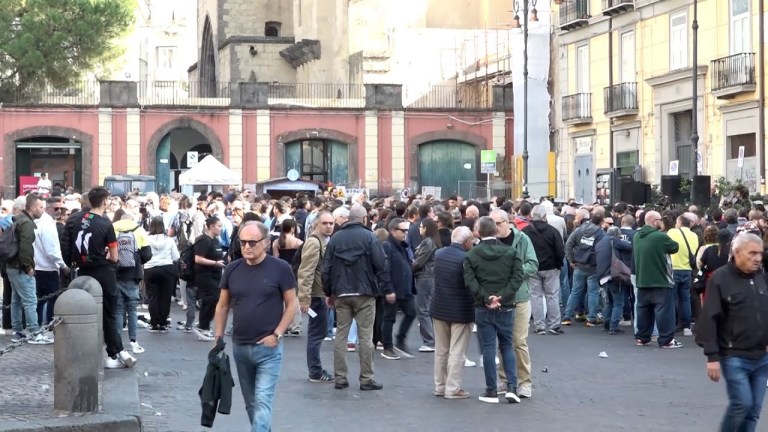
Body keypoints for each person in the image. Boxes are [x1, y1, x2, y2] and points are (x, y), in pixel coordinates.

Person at [213, 221, 298, 432]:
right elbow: (222, 306)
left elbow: (291, 305)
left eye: (252, 242)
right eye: (242, 242)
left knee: (262, 401)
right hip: (240, 347)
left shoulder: (281, 268)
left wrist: (277, 335)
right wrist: (218, 337)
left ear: (266, 243)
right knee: (251, 403)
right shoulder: (232, 269)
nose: (247, 247)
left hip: (269, 348)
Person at [695, 233, 768, 432]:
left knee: (753, 410)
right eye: (752, 253)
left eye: (760, 253)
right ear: (736, 253)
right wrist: (712, 356)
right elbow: (710, 317)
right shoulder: (720, 278)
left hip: (762, 357)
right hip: (734, 355)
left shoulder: (761, 276)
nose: (757, 258)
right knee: (742, 404)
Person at [68, 187, 136, 368]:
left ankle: (92, 351)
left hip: (82, 271)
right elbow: (115, 256)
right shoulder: (106, 224)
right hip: (103, 272)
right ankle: (114, 353)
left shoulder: (76, 219)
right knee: (110, 313)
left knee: (83, 312)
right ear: (105, 201)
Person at [322, 204, 387, 391]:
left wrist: (329, 292)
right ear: (364, 218)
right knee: (366, 336)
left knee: (341, 335)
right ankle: (366, 378)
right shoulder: (370, 237)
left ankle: (340, 378)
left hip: (341, 292)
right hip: (365, 292)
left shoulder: (335, 239)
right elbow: (380, 263)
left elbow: (326, 268)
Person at [464, 216, 525, 404]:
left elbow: (470, 281)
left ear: (478, 232)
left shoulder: (471, 255)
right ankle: (512, 387)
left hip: (483, 307)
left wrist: (486, 298)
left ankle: (491, 390)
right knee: (507, 345)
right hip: (506, 306)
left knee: (489, 347)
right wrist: (503, 297)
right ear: (496, 230)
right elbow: (517, 277)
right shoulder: (510, 252)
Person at [431, 226, 476, 399]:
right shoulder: (467, 258)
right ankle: (453, 388)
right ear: (466, 242)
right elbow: (470, 285)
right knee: (457, 350)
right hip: (460, 310)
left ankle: (440, 386)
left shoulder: (439, 254)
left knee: (441, 350)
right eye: (471, 240)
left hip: (439, 306)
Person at [633, 211, 682, 349]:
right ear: (655, 221)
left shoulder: (637, 236)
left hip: (642, 280)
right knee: (664, 312)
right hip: (661, 279)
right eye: (660, 219)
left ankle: (642, 338)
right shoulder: (661, 237)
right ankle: (666, 340)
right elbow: (674, 247)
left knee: (644, 311)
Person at [297, 211, 335, 383]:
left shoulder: (324, 241)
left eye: (331, 223)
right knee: (315, 335)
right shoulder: (314, 242)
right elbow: (306, 271)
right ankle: (315, 371)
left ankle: (316, 370)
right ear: (316, 224)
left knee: (317, 333)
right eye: (325, 223)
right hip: (316, 296)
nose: (328, 226)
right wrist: (304, 299)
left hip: (321, 294)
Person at [8, 194, 51, 344]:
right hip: (20, 267)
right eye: (40, 207)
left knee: (17, 300)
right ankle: (34, 332)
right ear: (32, 208)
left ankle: (18, 330)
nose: (42, 210)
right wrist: (28, 267)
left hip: (11, 266)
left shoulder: (18, 219)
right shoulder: (27, 223)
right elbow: (25, 248)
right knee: (30, 300)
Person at [193, 216, 226, 342]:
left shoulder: (215, 240)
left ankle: (204, 324)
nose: (220, 229)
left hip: (215, 275)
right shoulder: (203, 240)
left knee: (212, 300)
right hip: (205, 275)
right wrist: (215, 263)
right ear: (211, 226)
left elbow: (217, 254)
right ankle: (203, 327)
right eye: (219, 226)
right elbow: (198, 258)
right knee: (211, 299)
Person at [144, 216, 180, 332]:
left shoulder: (146, 239)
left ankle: (154, 322)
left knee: (153, 296)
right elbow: (176, 257)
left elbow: (143, 255)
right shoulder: (169, 240)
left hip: (150, 268)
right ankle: (163, 322)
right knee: (165, 297)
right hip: (167, 268)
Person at [412, 218, 440, 352]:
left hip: (425, 276)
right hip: (427, 276)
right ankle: (431, 340)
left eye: (422, 227)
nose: (419, 229)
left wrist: (408, 268)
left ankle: (429, 341)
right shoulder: (429, 242)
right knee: (426, 308)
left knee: (422, 309)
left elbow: (419, 262)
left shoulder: (428, 243)